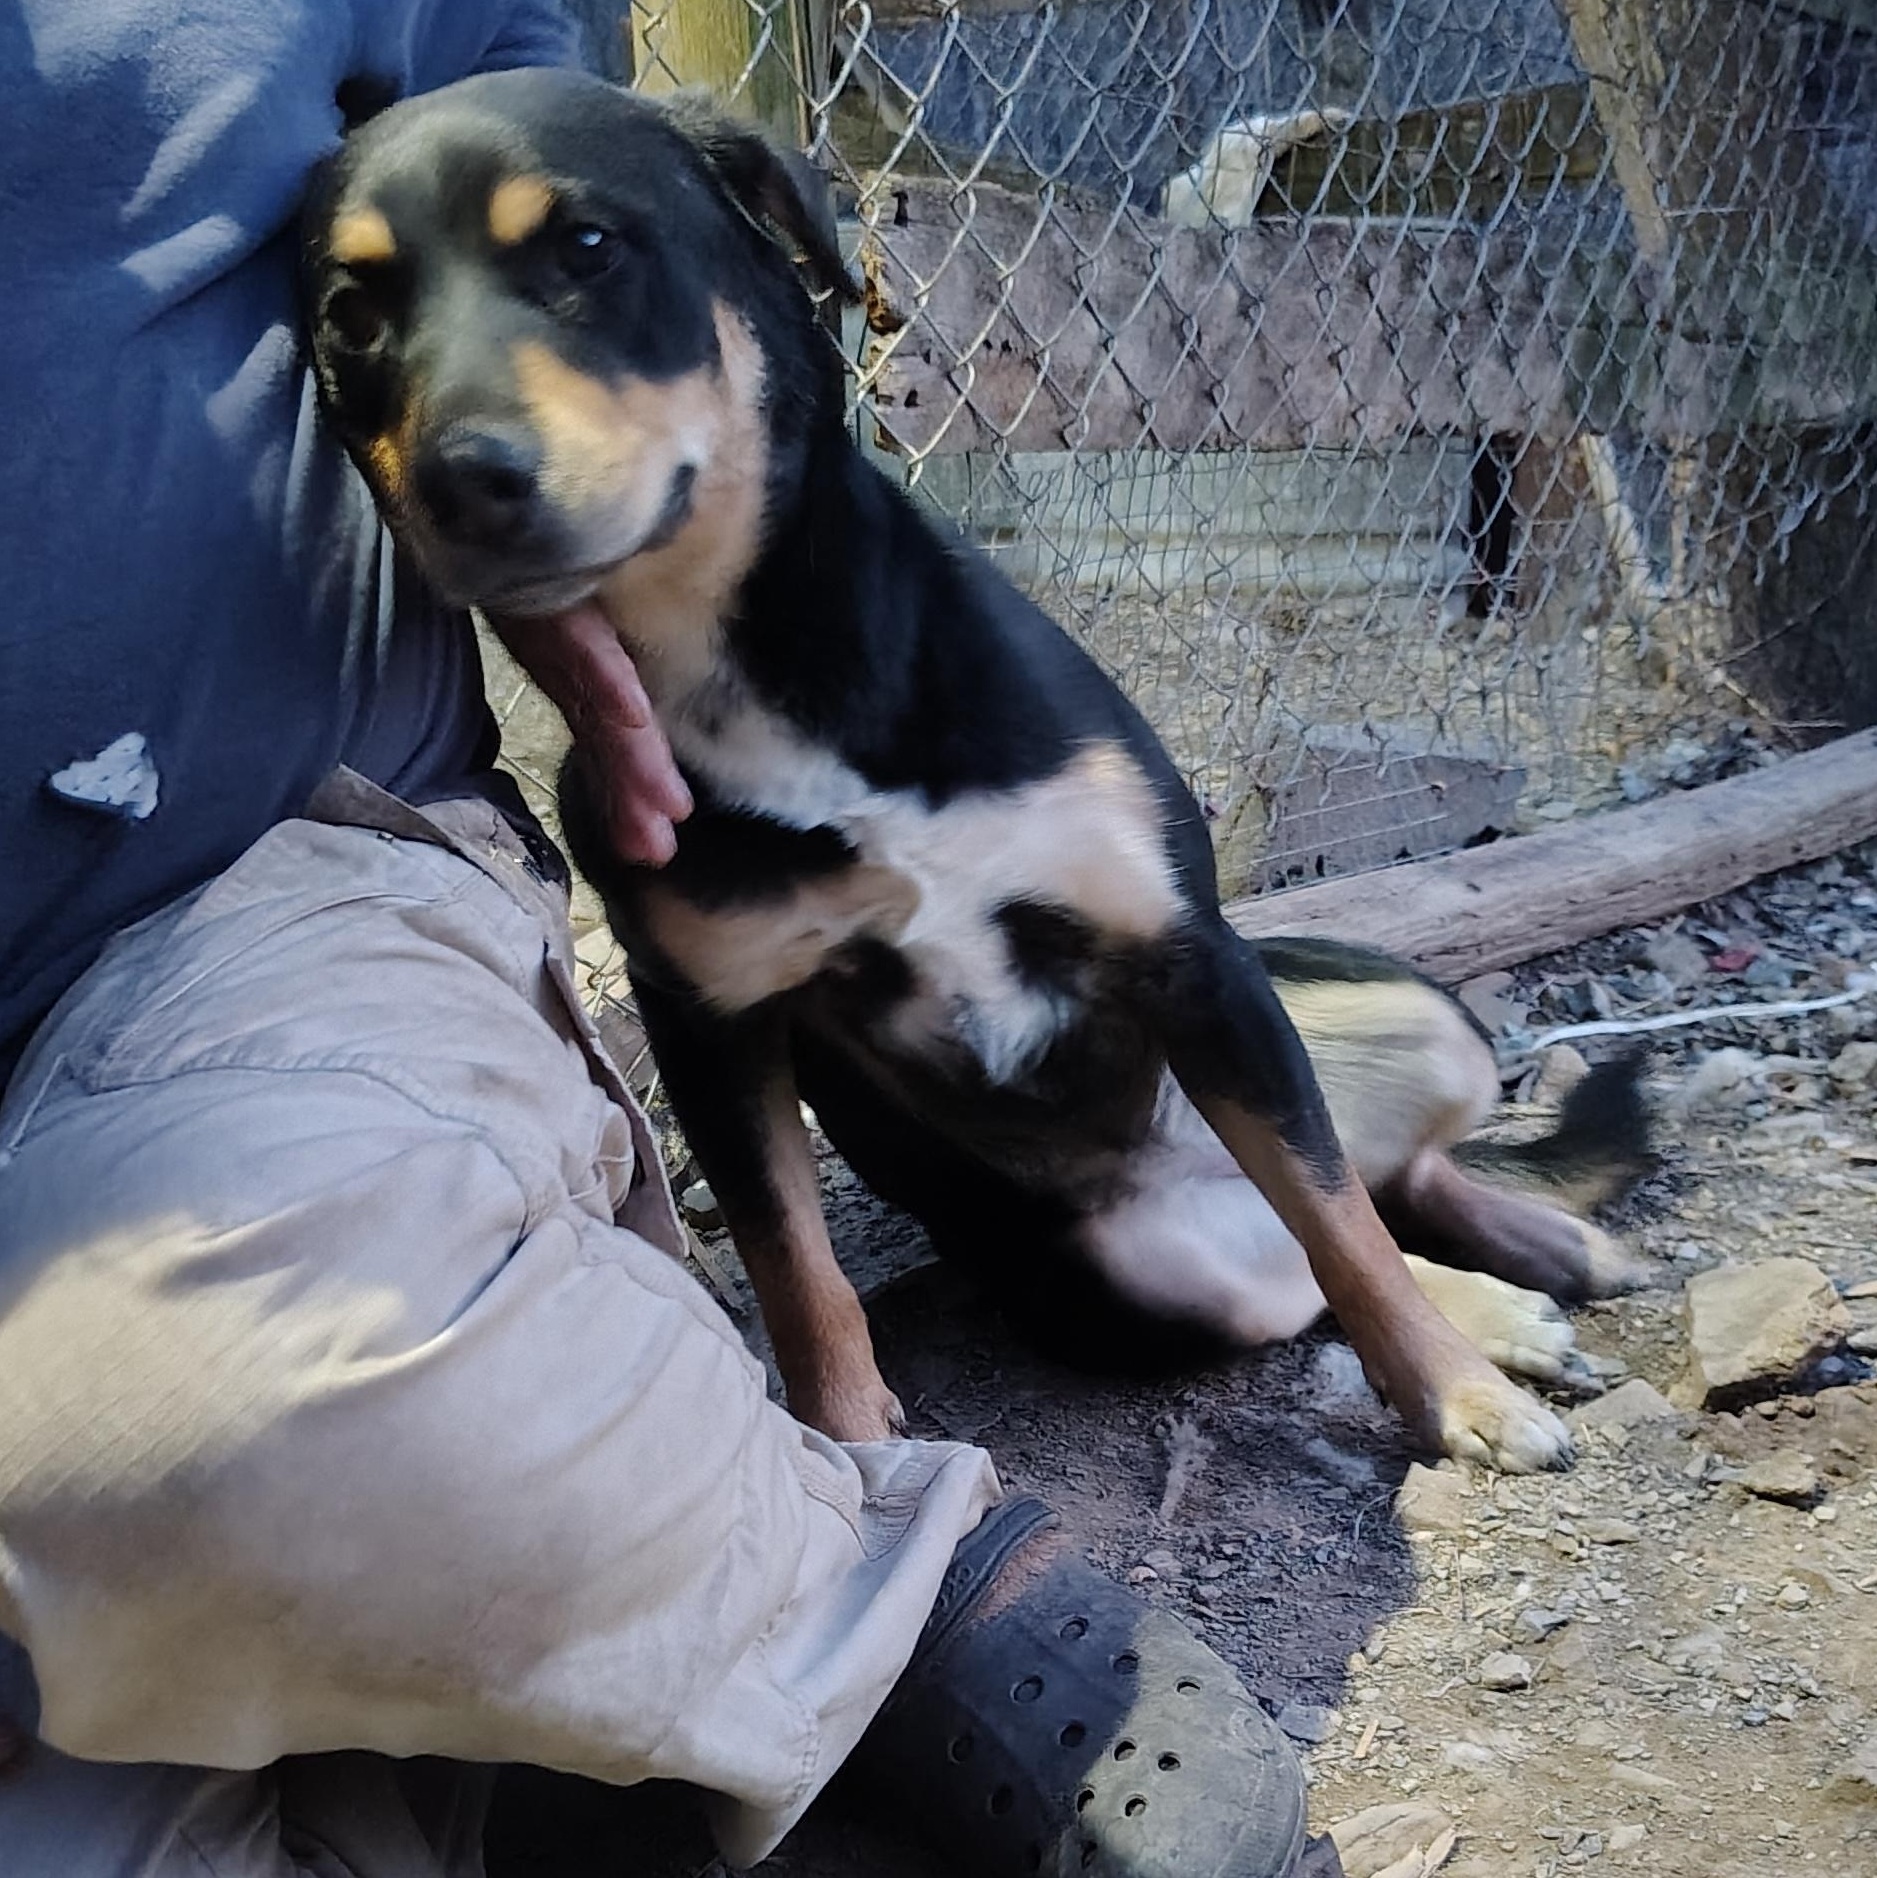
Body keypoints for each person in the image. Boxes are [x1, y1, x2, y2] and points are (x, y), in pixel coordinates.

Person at [0, 4, 1307, 1874]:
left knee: (198, 1368)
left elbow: (543, 163)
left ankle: (832, 1583)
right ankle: (502, 1706)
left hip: (238, 891)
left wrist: (566, 560)